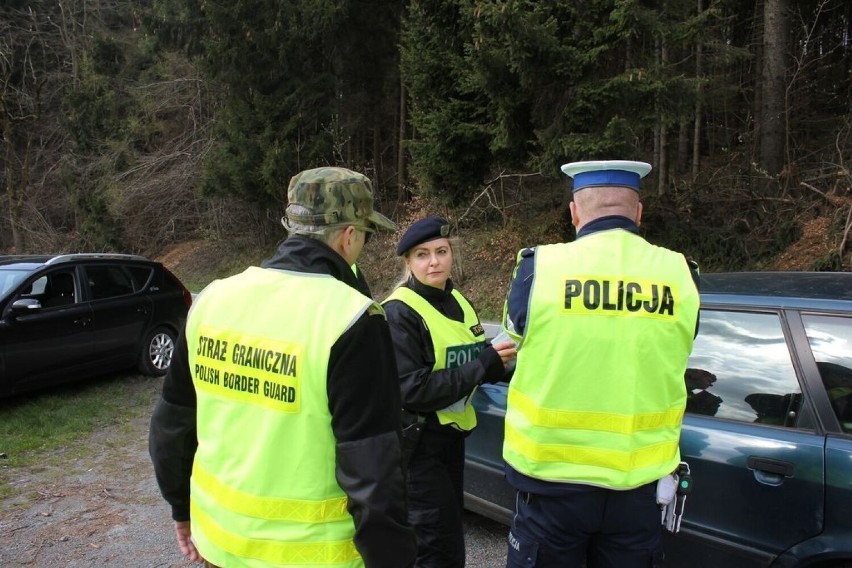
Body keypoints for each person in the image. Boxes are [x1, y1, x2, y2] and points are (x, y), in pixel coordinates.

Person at [148, 166, 416, 568]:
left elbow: (170, 428)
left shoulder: (213, 300)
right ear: (348, 236)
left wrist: (181, 508)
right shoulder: (350, 319)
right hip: (312, 558)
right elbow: (374, 475)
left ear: (292, 226)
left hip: (220, 545)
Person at [500, 160, 701, 568]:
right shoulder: (682, 274)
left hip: (552, 486)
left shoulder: (538, 268)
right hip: (639, 487)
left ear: (574, 212)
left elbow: (513, 335)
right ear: (638, 212)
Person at [382, 216, 517, 568]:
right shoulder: (400, 313)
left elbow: (469, 359)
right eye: (423, 255)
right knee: (433, 548)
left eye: (441, 252)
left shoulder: (457, 300)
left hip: (451, 442)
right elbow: (412, 390)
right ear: (408, 263)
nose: (434, 261)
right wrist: (481, 367)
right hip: (418, 449)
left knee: (449, 542)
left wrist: (498, 365)